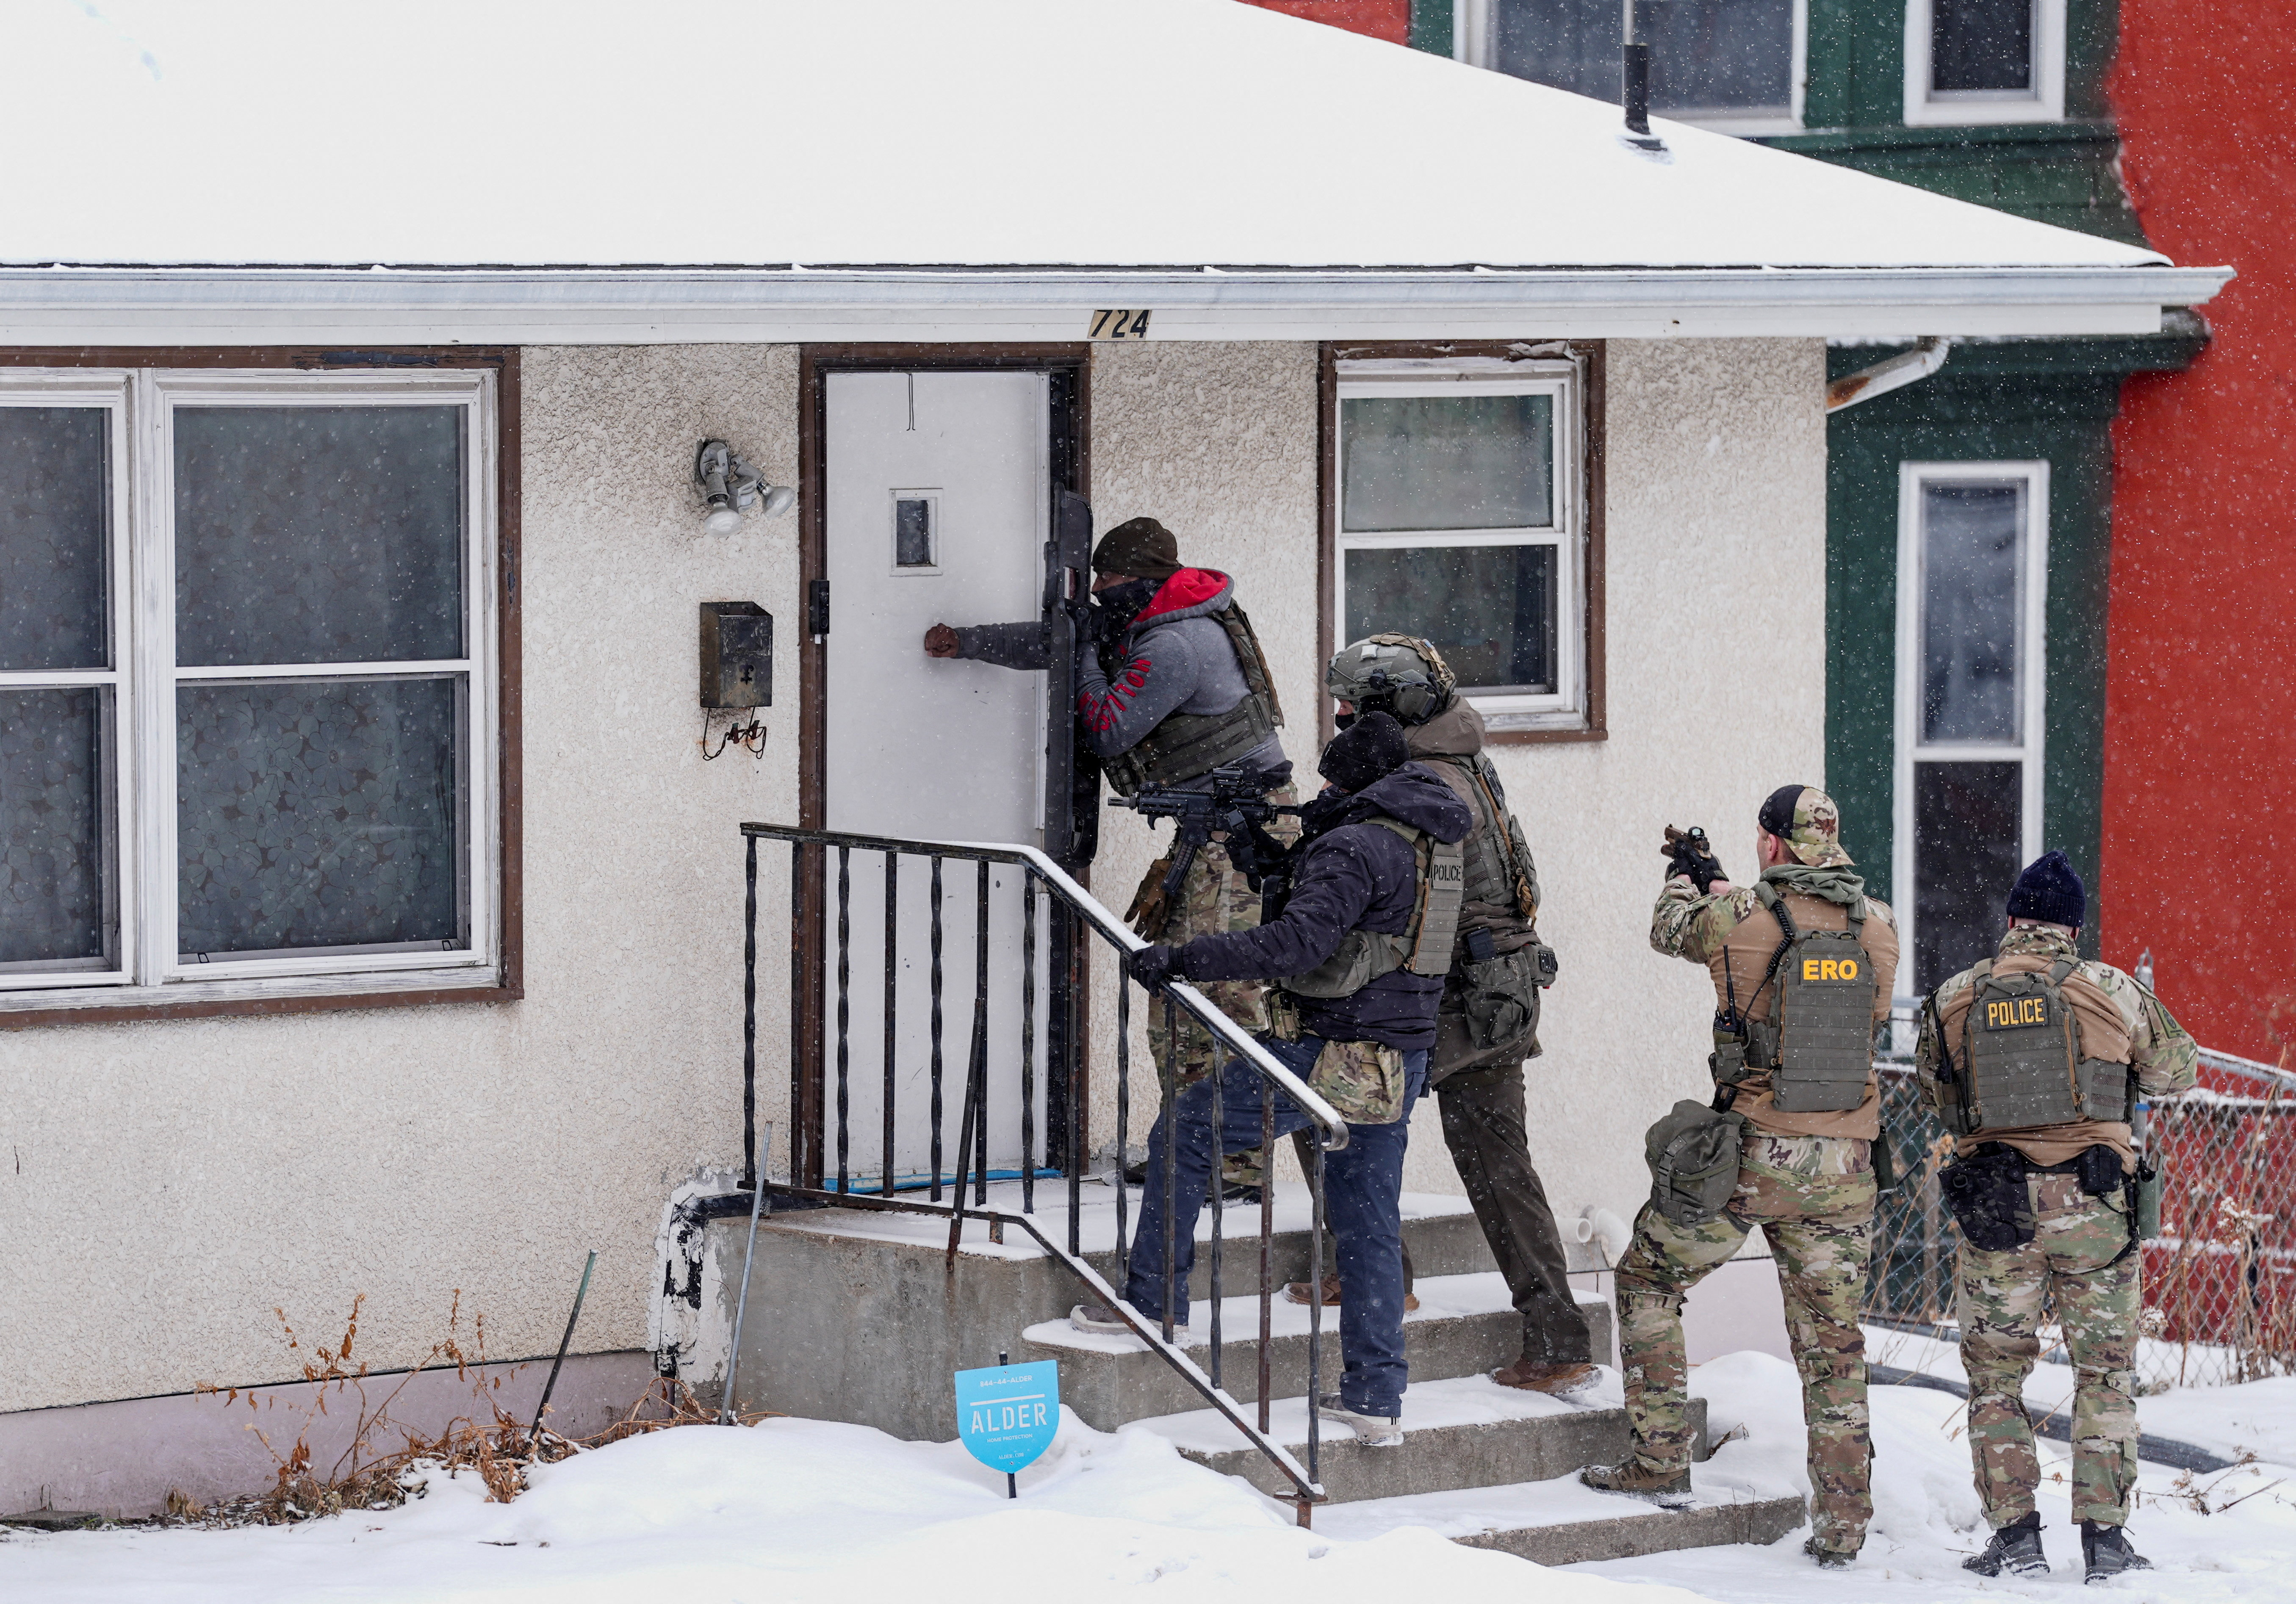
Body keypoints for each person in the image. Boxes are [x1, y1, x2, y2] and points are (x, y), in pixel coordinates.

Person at [1068, 712, 1471, 1446]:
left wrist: (1183, 958)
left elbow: (1297, 944)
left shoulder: (1355, 845)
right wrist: (1273, 854)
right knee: (1368, 1225)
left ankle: (1154, 1303)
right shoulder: (1433, 837)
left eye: (1329, 778)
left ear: (1351, 780)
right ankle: (1375, 1397)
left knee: (1186, 1132)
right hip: (1397, 1058)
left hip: (1333, 1051)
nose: (1317, 788)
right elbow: (1359, 924)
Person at [1582, 786, 1897, 1571]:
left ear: (1768, 843)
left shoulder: (1739, 916)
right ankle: (1843, 1524)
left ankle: (1658, 1459)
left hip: (1753, 1158)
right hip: (1847, 1163)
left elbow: (1670, 931)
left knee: (1648, 1280)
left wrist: (1687, 882)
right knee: (1833, 1348)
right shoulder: (1881, 924)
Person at [1279, 635, 1590, 1396]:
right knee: (1499, 1166)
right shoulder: (1466, 755)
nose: (1343, 717)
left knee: (1328, 1109)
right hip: (1505, 985)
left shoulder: (1413, 776)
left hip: (1451, 991)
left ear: (1389, 707)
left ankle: (1371, 1277)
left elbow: (1403, 895)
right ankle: (1557, 1340)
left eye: (1352, 705)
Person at [925, 516, 1291, 1080]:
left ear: (1142, 580)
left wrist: (1083, 656)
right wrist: (968, 643)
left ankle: (1218, 1150)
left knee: (1213, 1000)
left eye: (1108, 576)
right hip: (1218, 831)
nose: (1097, 589)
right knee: (1190, 998)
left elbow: (1107, 727)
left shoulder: (1176, 643)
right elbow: (1057, 642)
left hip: (1241, 842)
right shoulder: (1150, 619)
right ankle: (1193, 1146)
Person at [1916, 851, 2195, 1584]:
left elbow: (1932, 1094)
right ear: (2073, 927)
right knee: (2105, 1374)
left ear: (2011, 923)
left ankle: (2015, 1541)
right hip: (2095, 1210)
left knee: (1995, 1379)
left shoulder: (1954, 995)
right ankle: (2104, 1543)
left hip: (1996, 1211)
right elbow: (2178, 1069)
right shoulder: (2111, 989)